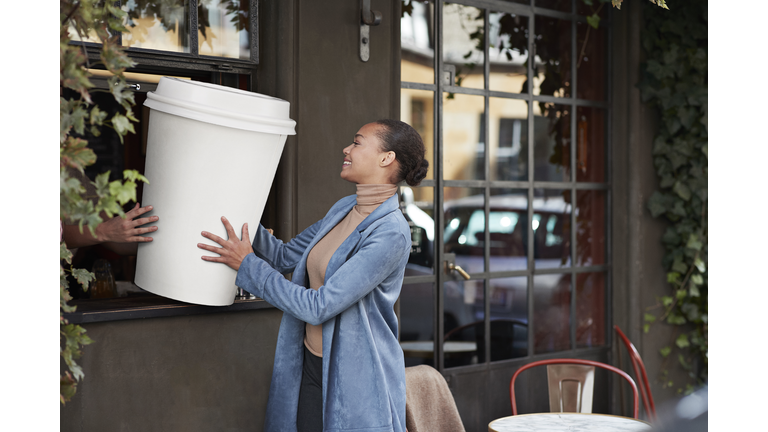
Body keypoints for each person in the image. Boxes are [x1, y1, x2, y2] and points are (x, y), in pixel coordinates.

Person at [197, 119, 428, 432]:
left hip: (356, 377)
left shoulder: (391, 233)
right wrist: (243, 209)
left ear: (386, 158)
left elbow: (318, 307)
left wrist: (248, 265)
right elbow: (285, 257)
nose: (346, 149)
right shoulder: (344, 208)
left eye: (358, 142)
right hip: (311, 364)